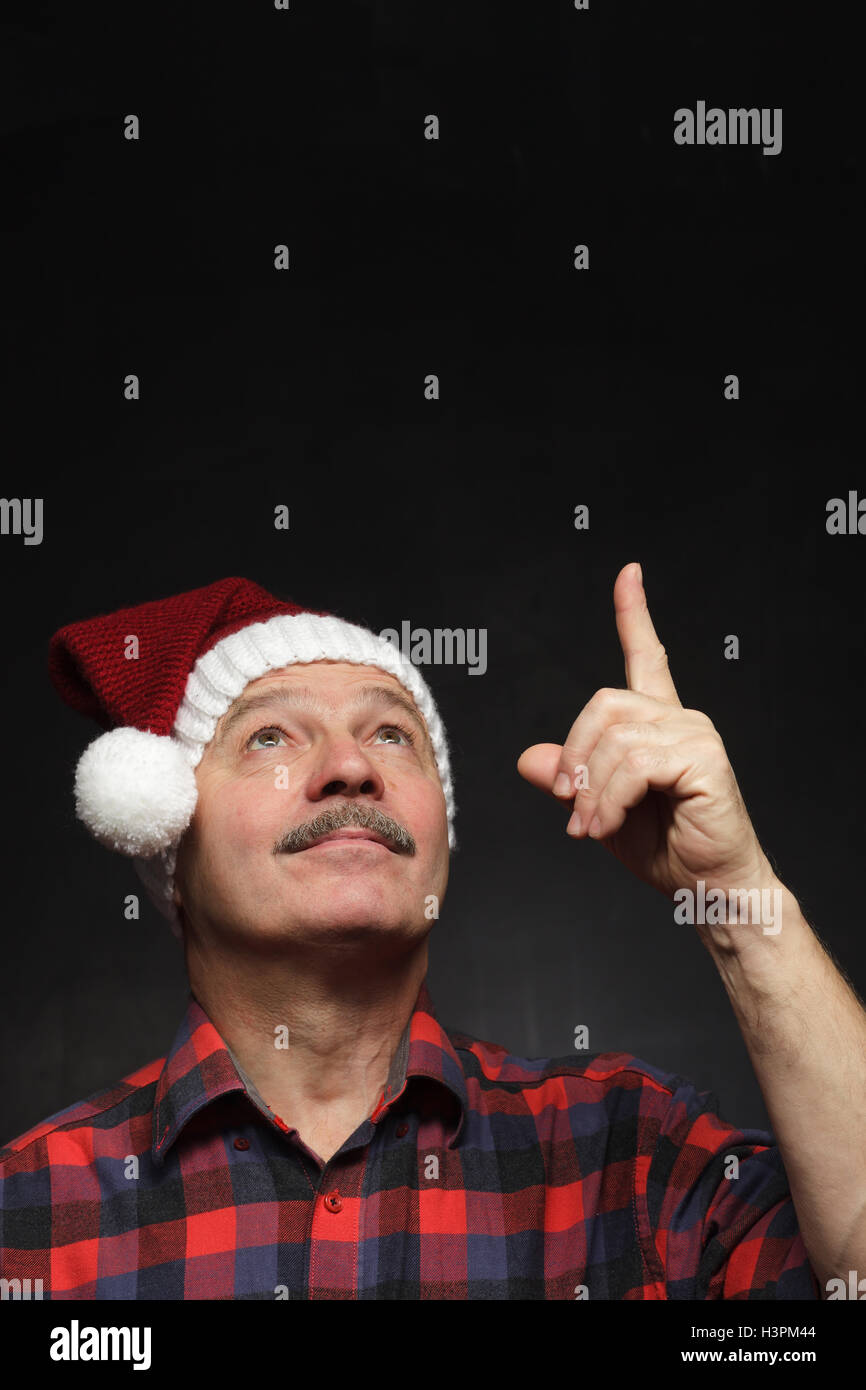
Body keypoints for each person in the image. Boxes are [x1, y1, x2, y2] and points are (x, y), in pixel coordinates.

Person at [0, 566, 863, 1300]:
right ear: (165, 838)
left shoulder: (633, 1153)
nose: (351, 766)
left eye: (390, 733)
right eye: (269, 736)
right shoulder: (30, 1212)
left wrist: (735, 898)